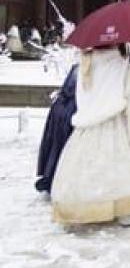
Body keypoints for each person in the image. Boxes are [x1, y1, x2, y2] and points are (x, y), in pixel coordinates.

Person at [51, 44, 130, 225]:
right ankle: (127, 210)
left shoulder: (84, 67)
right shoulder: (126, 69)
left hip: (87, 130)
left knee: (86, 169)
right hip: (117, 126)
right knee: (122, 167)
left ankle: (84, 208)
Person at [35, 64, 79, 194]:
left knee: (58, 146)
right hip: (70, 112)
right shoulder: (87, 67)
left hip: (62, 108)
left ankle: (52, 176)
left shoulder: (77, 67)